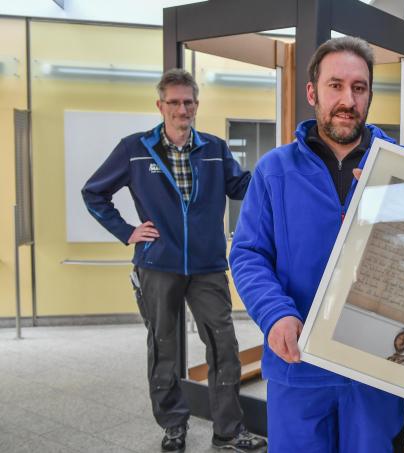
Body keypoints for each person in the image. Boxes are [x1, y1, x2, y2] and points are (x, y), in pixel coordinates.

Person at [229, 36, 404, 453]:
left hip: (376, 369)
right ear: (312, 92)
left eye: (359, 88)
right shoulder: (275, 170)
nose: (348, 99)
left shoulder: (401, 168)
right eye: (336, 85)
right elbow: (249, 254)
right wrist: (275, 315)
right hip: (299, 366)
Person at [82, 69, 266, 452]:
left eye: (188, 102)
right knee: (163, 345)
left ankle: (228, 430)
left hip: (208, 266)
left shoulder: (214, 148)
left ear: (196, 105)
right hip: (157, 265)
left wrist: (279, 175)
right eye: (174, 102)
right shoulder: (135, 148)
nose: (182, 109)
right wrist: (127, 231)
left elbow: (245, 186)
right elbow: (94, 193)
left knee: (224, 345)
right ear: (160, 105)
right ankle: (173, 425)